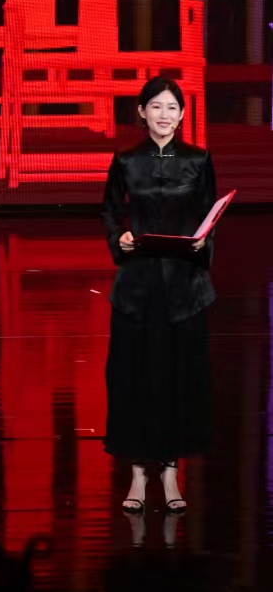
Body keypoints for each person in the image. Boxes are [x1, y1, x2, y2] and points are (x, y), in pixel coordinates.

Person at [99, 76, 216, 516]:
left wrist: (203, 242)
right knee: (133, 379)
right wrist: (120, 238)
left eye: (172, 107)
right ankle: (137, 473)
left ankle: (169, 472)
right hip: (137, 287)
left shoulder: (199, 160)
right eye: (156, 106)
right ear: (142, 112)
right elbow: (110, 211)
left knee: (177, 381)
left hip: (184, 289)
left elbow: (209, 215)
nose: (164, 115)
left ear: (182, 114)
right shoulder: (126, 160)